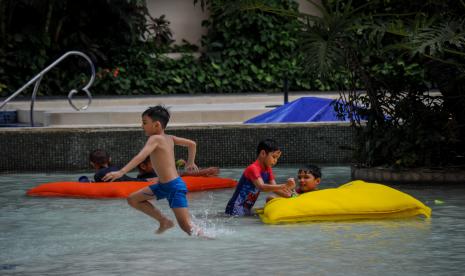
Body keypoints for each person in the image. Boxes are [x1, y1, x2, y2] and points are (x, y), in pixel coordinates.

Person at [102, 105, 203, 236]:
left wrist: (121, 172)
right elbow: (192, 144)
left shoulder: (155, 139)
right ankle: (164, 221)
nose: (142, 126)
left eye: (144, 123)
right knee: (133, 199)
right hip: (163, 186)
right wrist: (190, 162)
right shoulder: (170, 138)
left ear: (156, 125)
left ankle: (210, 239)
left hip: (174, 187)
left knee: (187, 226)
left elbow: (141, 156)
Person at [225, 138, 295, 216]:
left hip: (246, 208)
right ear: (263, 153)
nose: (275, 161)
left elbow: (275, 189)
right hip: (235, 207)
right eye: (274, 157)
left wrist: (291, 195)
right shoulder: (253, 168)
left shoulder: (268, 169)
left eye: (277, 158)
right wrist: (284, 185)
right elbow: (261, 187)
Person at [137, 156, 220, 181]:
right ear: (143, 166)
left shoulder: (154, 172)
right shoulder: (147, 176)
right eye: (155, 163)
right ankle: (204, 172)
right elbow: (179, 174)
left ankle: (203, 172)